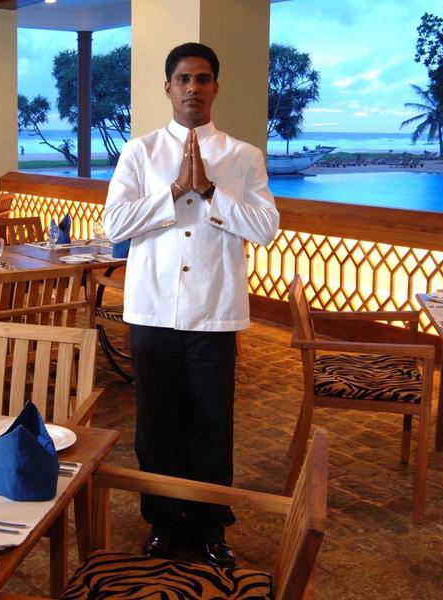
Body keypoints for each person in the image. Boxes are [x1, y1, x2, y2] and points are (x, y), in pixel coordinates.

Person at [104, 42, 279, 568]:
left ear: (215, 88)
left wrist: (210, 194)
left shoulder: (243, 156)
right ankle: (161, 523)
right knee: (156, 424)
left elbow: (266, 228)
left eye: (202, 79)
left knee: (210, 424)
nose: (192, 89)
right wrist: (175, 191)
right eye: (183, 79)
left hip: (215, 311)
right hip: (152, 311)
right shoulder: (140, 153)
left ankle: (207, 527)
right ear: (168, 88)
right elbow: (114, 226)